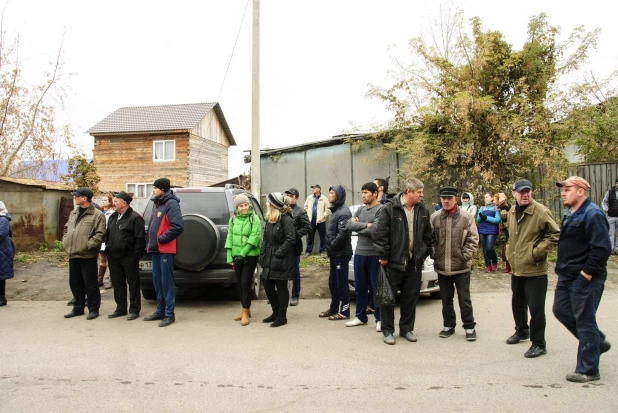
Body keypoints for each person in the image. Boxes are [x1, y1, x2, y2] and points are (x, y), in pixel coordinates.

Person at [553, 176, 612, 383]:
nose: (563, 192)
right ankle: (597, 343)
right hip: (566, 275)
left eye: (567, 189)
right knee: (560, 310)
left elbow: (602, 248)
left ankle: (588, 370)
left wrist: (586, 274)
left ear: (581, 191)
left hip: (585, 277)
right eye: (563, 189)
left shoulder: (593, 214)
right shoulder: (572, 213)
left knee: (585, 320)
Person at [372, 177, 433, 345]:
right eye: (419, 192)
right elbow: (379, 234)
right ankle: (387, 331)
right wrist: (384, 256)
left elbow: (428, 236)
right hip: (393, 263)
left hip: (414, 264)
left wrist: (423, 254)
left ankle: (406, 329)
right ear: (409, 192)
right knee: (388, 299)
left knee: (410, 298)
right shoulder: (389, 209)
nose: (422, 195)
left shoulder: (423, 211)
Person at [505, 179, 560, 358]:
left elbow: (555, 234)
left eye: (528, 191)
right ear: (514, 193)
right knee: (517, 303)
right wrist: (509, 252)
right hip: (517, 267)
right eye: (521, 192)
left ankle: (539, 343)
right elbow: (512, 235)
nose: (525, 194)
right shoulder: (513, 211)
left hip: (535, 269)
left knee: (536, 308)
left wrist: (536, 252)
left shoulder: (540, 211)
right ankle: (521, 331)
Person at [430, 186, 479, 341]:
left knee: (464, 299)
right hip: (442, 266)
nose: (446, 201)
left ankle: (469, 327)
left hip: (461, 267)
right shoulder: (435, 217)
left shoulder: (467, 217)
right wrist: (434, 254)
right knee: (446, 298)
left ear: (456, 200)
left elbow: (473, 239)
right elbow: (429, 239)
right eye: (443, 198)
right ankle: (449, 325)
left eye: (449, 198)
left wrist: (465, 256)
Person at [144, 178, 184, 327]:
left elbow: (178, 226)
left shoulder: (171, 204)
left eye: (155, 188)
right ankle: (160, 310)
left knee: (167, 282)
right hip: (155, 249)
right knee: (157, 281)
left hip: (165, 250)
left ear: (163, 189)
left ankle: (169, 314)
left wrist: (161, 239)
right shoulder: (157, 204)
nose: (153, 190)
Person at [63, 187, 107, 320]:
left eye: (77, 196)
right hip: (73, 253)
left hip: (87, 254)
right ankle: (78, 307)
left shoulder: (97, 214)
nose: (75, 198)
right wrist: (65, 241)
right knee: (75, 282)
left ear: (84, 198)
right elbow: (66, 228)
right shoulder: (74, 213)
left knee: (90, 283)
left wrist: (88, 245)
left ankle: (93, 309)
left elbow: (100, 234)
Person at [345, 182, 383, 329]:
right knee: (360, 287)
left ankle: (380, 319)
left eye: (366, 192)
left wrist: (359, 226)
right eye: (362, 193)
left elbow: (376, 230)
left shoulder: (381, 209)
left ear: (375, 194)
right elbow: (348, 225)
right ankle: (360, 316)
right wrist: (365, 225)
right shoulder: (360, 209)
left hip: (374, 254)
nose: (363, 195)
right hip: (359, 253)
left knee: (376, 288)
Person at [106, 191, 146, 321]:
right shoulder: (113, 217)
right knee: (118, 283)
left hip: (128, 257)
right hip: (113, 256)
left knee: (133, 284)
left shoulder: (135, 218)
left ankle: (134, 309)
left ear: (124, 203)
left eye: (116, 201)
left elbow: (140, 240)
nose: (114, 203)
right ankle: (120, 308)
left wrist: (133, 257)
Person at [260, 192, 296, 327]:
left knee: (281, 287)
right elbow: (265, 239)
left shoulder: (286, 219)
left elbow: (290, 239)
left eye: (268, 202)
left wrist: (278, 254)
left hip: (281, 259)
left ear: (274, 204)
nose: (266, 203)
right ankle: (275, 312)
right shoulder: (270, 218)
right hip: (268, 258)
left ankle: (282, 316)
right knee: (267, 285)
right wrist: (262, 254)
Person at [225, 194, 261, 326]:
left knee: (246, 282)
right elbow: (229, 237)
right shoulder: (233, 220)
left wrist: (243, 254)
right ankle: (245, 309)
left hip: (250, 255)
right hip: (236, 256)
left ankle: (245, 312)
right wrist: (230, 256)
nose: (244, 208)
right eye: (241, 206)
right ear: (237, 207)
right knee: (239, 283)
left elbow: (255, 236)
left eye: (245, 205)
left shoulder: (254, 218)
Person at [318, 185, 353, 321]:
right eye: (329, 192)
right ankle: (333, 308)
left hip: (341, 254)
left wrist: (331, 246)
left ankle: (345, 312)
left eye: (332, 193)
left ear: (338, 195)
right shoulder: (336, 210)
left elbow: (343, 233)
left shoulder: (344, 212)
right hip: (334, 254)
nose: (329, 195)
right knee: (333, 282)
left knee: (341, 283)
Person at [284, 188, 311, 306]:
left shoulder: (300, 212)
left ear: (297, 198)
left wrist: (295, 235)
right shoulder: (282, 210)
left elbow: (307, 227)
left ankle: (295, 296)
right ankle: (282, 295)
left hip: (294, 246)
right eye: (288, 195)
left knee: (295, 271)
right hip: (283, 245)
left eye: (292, 196)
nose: (289, 197)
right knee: (282, 271)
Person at [303, 184, 331, 257]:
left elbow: (328, 210)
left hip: (320, 221)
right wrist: (307, 216)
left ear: (318, 189)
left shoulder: (324, 198)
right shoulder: (309, 198)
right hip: (311, 220)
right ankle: (308, 251)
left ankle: (322, 251)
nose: (312, 189)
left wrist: (323, 216)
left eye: (314, 188)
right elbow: (305, 207)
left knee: (323, 236)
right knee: (310, 236)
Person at [477, 191, 501, 272]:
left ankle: (494, 263)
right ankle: (488, 265)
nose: (485, 199)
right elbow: (478, 220)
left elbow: (497, 220)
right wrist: (481, 217)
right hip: (482, 229)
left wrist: (486, 218)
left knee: (490, 247)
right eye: (484, 197)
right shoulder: (482, 208)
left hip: (492, 230)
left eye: (487, 197)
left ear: (491, 198)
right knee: (484, 248)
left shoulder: (496, 208)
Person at [98, 193, 115, 288]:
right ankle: (100, 279)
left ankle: (111, 281)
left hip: (108, 239)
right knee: (102, 259)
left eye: (105, 200)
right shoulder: (101, 212)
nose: (103, 202)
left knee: (110, 261)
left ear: (110, 202)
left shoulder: (112, 213)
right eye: (102, 200)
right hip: (101, 240)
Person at [0, 201, 14, 307]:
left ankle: (2, 298)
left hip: (2, 252)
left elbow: (2, 233)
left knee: (1, 276)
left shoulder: (3, 219)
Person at [495, 192, 512, 274]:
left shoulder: (505, 208)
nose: (494, 201)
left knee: (509, 247)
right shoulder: (503, 207)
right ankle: (508, 266)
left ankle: (510, 266)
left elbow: (506, 222)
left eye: (495, 200)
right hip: (507, 230)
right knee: (507, 247)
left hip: (509, 230)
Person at [601, 178, 618, 255]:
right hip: (611, 216)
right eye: (617, 183)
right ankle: (610, 249)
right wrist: (606, 209)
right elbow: (604, 202)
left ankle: (617, 249)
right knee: (610, 234)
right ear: (615, 184)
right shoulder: (609, 192)